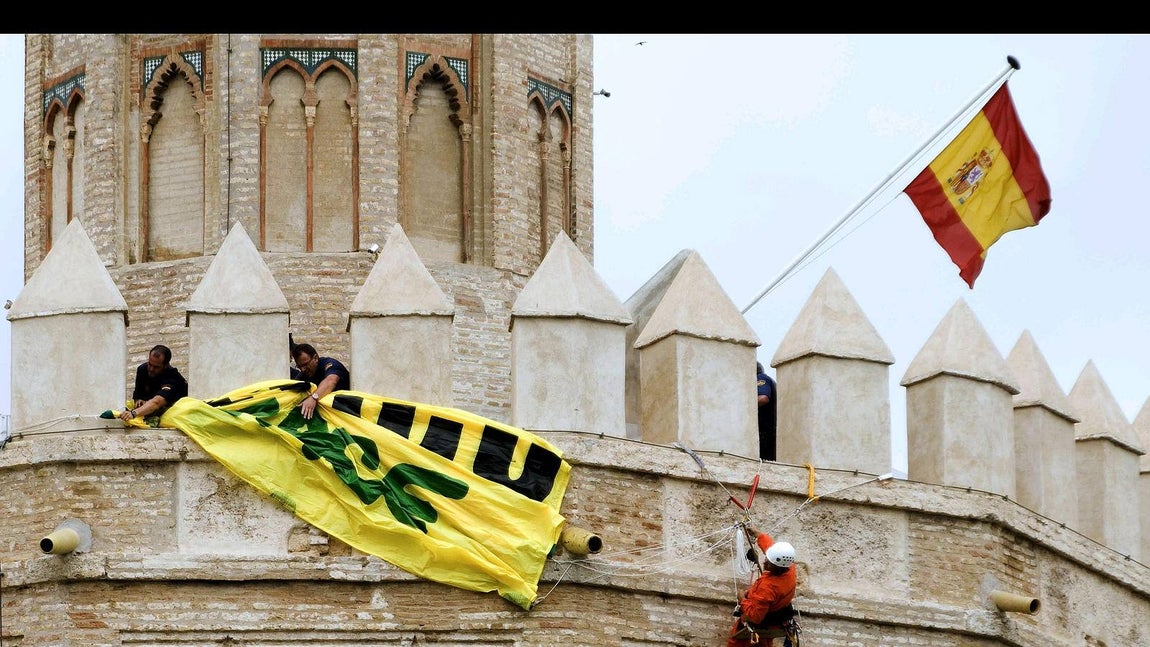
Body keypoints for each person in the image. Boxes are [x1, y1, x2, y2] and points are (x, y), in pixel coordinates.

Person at [727, 525, 798, 647]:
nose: (764, 562)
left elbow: (754, 617)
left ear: (778, 567)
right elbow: (770, 548)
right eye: (767, 559)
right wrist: (758, 534)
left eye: (769, 563)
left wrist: (742, 599)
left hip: (761, 623)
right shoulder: (789, 568)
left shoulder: (768, 588)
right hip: (773, 621)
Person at [120, 344, 189, 423]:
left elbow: (157, 402)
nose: (151, 369)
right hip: (149, 412)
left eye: (156, 367)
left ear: (165, 365)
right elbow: (138, 395)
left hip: (174, 414)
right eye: (150, 364)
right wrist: (139, 401)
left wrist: (134, 413)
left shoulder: (173, 377)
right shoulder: (142, 370)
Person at [291, 342, 351, 419]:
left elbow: (331, 381)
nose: (303, 369)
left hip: (347, 413)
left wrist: (313, 398)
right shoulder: (303, 374)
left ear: (315, 358)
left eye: (305, 364)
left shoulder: (330, 364)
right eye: (299, 366)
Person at [757, 362, 778, 461]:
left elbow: (763, 398)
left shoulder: (761, 378)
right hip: (770, 434)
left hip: (765, 434)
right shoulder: (771, 380)